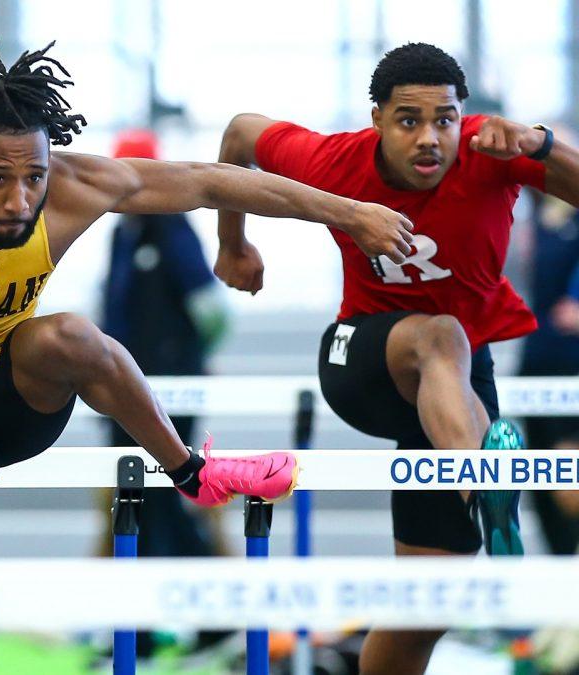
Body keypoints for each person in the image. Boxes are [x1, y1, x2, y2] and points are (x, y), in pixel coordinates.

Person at [0, 36, 414, 674]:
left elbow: (210, 182)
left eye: (32, 177)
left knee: (68, 333)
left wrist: (349, 213)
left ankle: (191, 472)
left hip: (11, 398)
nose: (18, 200)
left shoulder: (71, 190)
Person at [216, 42, 579, 674]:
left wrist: (540, 144)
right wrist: (233, 243)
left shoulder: (489, 153)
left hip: (459, 389)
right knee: (440, 333)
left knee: (424, 610)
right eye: (408, 120)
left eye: (444, 119)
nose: (430, 138)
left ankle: (481, 500)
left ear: (461, 116)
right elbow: (241, 133)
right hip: (364, 360)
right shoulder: (335, 159)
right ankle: (484, 488)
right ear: (377, 119)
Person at [100, 129, 229, 655]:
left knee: (165, 500)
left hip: (165, 396)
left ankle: (196, 620)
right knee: (142, 505)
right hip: (120, 394)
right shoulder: (123, 233)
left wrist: (189, 367)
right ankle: (153, 628)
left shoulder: (172, 229)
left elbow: (212, 312)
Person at [519, 184, 579, 556]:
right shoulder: (538, 217)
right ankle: (561, 576)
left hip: (570, 360)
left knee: (567, 469)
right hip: (536, 357)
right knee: (542, 474)